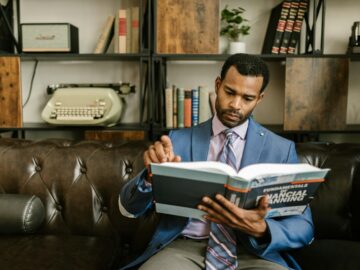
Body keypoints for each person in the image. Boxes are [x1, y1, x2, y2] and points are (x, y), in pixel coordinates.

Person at [119, 53, 314, 270]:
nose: (235, 105)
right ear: (218, 85)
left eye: (247, 98)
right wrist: (149, 176)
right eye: (230, 92)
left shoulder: (281, 149)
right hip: (183, 250)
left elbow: (304, 226)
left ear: (259, 99)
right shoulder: (177, 140)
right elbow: (127, 209)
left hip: (254, 253)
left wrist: (262, 229)